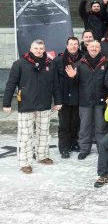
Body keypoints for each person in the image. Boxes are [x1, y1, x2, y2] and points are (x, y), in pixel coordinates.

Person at [3, 39, 62, 174]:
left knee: (43, 132)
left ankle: (42, 155)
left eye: (41, 48)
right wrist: (6, 103)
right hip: (26, 104)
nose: (39, 51)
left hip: (44, 104)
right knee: (25, 135)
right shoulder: (19, 64)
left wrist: (58, 101)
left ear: (44, 49)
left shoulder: (49, 63)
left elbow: (55, 84)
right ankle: (25, 162)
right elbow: (11, 84)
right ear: (30, 48)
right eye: (36, 48)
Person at [65, 41, 108, 160]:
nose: (94, 48)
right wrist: (72, 77)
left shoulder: (106, 62)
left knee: (101, 127)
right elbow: (73, 84)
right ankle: (84, 149)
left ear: (100, 49)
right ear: (87, 48)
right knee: (85, 127)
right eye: (91, 46)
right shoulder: (79, 64)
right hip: (85, 101)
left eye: (96, 46)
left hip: (101, 100)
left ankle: (102, 149)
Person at [54, 37, 82, 158]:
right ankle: (64, 148)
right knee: (64, 124)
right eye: (71, 44)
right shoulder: (58, 60)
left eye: (76, 44)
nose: (73, 46)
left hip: (78, 96)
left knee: (75, 122)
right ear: (67, 46)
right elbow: (55, 82)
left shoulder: (83, 59)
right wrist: (57, 99)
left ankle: (74, 143)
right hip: (64, 97)